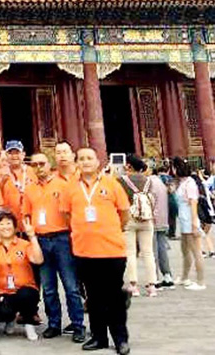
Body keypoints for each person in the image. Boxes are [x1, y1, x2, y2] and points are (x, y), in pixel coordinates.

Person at [60, 147, 131, 355]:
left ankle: (120, 339)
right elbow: (66, 215)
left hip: (112, 251)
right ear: (76, 163)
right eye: (81, 158)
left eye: (89, 158)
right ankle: (99, 337)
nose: (85, 162)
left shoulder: (111, 183)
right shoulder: (70, 187)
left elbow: (124, 213)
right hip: (84, 252)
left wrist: (110, 230)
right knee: (93, 297)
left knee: (114, 298)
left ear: (98, 161)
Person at [22, 151, 85, 342]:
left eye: (42, 164)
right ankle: (54, 323)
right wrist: (30, 234)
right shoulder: (30, 189)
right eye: (34, 165)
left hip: (62, 238)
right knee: (48, 287)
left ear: (50, 165)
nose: (38, 168)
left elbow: (73, 211)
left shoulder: (63, 184)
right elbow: (25, 214)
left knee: (71, 286)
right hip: (41, 240)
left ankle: (78, 324)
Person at [0, 210, 43, 341]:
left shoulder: (24, 244)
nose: (5, 227)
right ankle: (9, 319)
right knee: (2, 312)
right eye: (2, 224)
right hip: (4, 291)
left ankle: (28, 323)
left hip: (25, 289)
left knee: (26, 295)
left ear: (15, 227)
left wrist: (32, 237)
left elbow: (38, 260)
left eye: (8, 223)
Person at [118, 154, 158, 297]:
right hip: (146, 219)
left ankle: (133, 285)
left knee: (130, 252)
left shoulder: (122, 181)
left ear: (129, 166)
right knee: (148, 252)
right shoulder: (148, 181)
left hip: (130, 218)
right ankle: (152, 285)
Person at [173, 157, 205, 290]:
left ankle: (201, 282)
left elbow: (193, 203)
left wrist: (194, 224)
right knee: (185, 250)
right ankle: (184, 277)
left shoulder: (190, 183)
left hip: (189, 220)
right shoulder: (182, 182)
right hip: (183, 219)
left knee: (196, 251)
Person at [0, 141, 37, 229]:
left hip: (31, 220)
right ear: (6, 155)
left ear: (23, 154)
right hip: (9, 223)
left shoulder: (32, 171)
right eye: (11, 153)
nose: (14, 156)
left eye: (17, 153)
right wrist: (1, 182)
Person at [149, 161, 174, 288]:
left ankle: (155, 278)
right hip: (163, 219)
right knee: (162, 248)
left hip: (153, 219)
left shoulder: (149, 182)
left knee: (153, 250)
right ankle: (167, 275)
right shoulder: (161, 182)